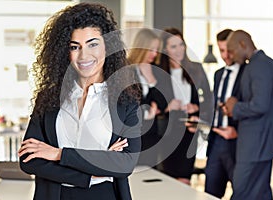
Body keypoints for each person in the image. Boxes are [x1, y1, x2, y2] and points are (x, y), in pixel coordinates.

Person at [18, 3, 141, 200]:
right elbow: (29, 160)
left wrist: (58, 154)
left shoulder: (125, 101)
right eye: (75, 47)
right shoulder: (49, 98)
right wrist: (92, 172)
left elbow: (125, 164)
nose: (84, 55)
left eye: (93, 44)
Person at [224, 29, 273, 199]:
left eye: (231, 50)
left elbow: (260, 105)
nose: (230, 56)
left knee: (242, 190)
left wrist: (235, 107)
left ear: (243, 44)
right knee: (260, 192)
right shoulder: (262, 64)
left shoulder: (259, 66)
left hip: (256, 143)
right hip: (261, 142)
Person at [155, 27, 201, 185]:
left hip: (189, 133)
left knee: (185, 180)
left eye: (181, 44)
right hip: (167, 134)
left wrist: (196, 109)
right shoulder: (158, 73)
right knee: (168, 182)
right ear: (165, 49)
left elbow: (205, 101)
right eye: (173, 46)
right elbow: (151, 104)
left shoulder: (195, 69)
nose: (179, 49)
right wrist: (168, 107)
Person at [203, 29, 245, 198]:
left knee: (241, 192)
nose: (226, 55)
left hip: (237, 143)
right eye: (221, 51)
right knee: (210, 194)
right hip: (215, 143)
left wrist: (238, 132)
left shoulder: (247, 73)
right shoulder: (218, 74)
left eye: (229, 50)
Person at [127, 28, 162, 167]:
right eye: (151, 49)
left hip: (151, 134)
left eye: (156, 50)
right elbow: (125, 104)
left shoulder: (153, 69)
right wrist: (147, 113)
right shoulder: (126, 69)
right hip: (133, 134)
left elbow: (162, 103)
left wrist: (151, 80)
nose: (154, 54)